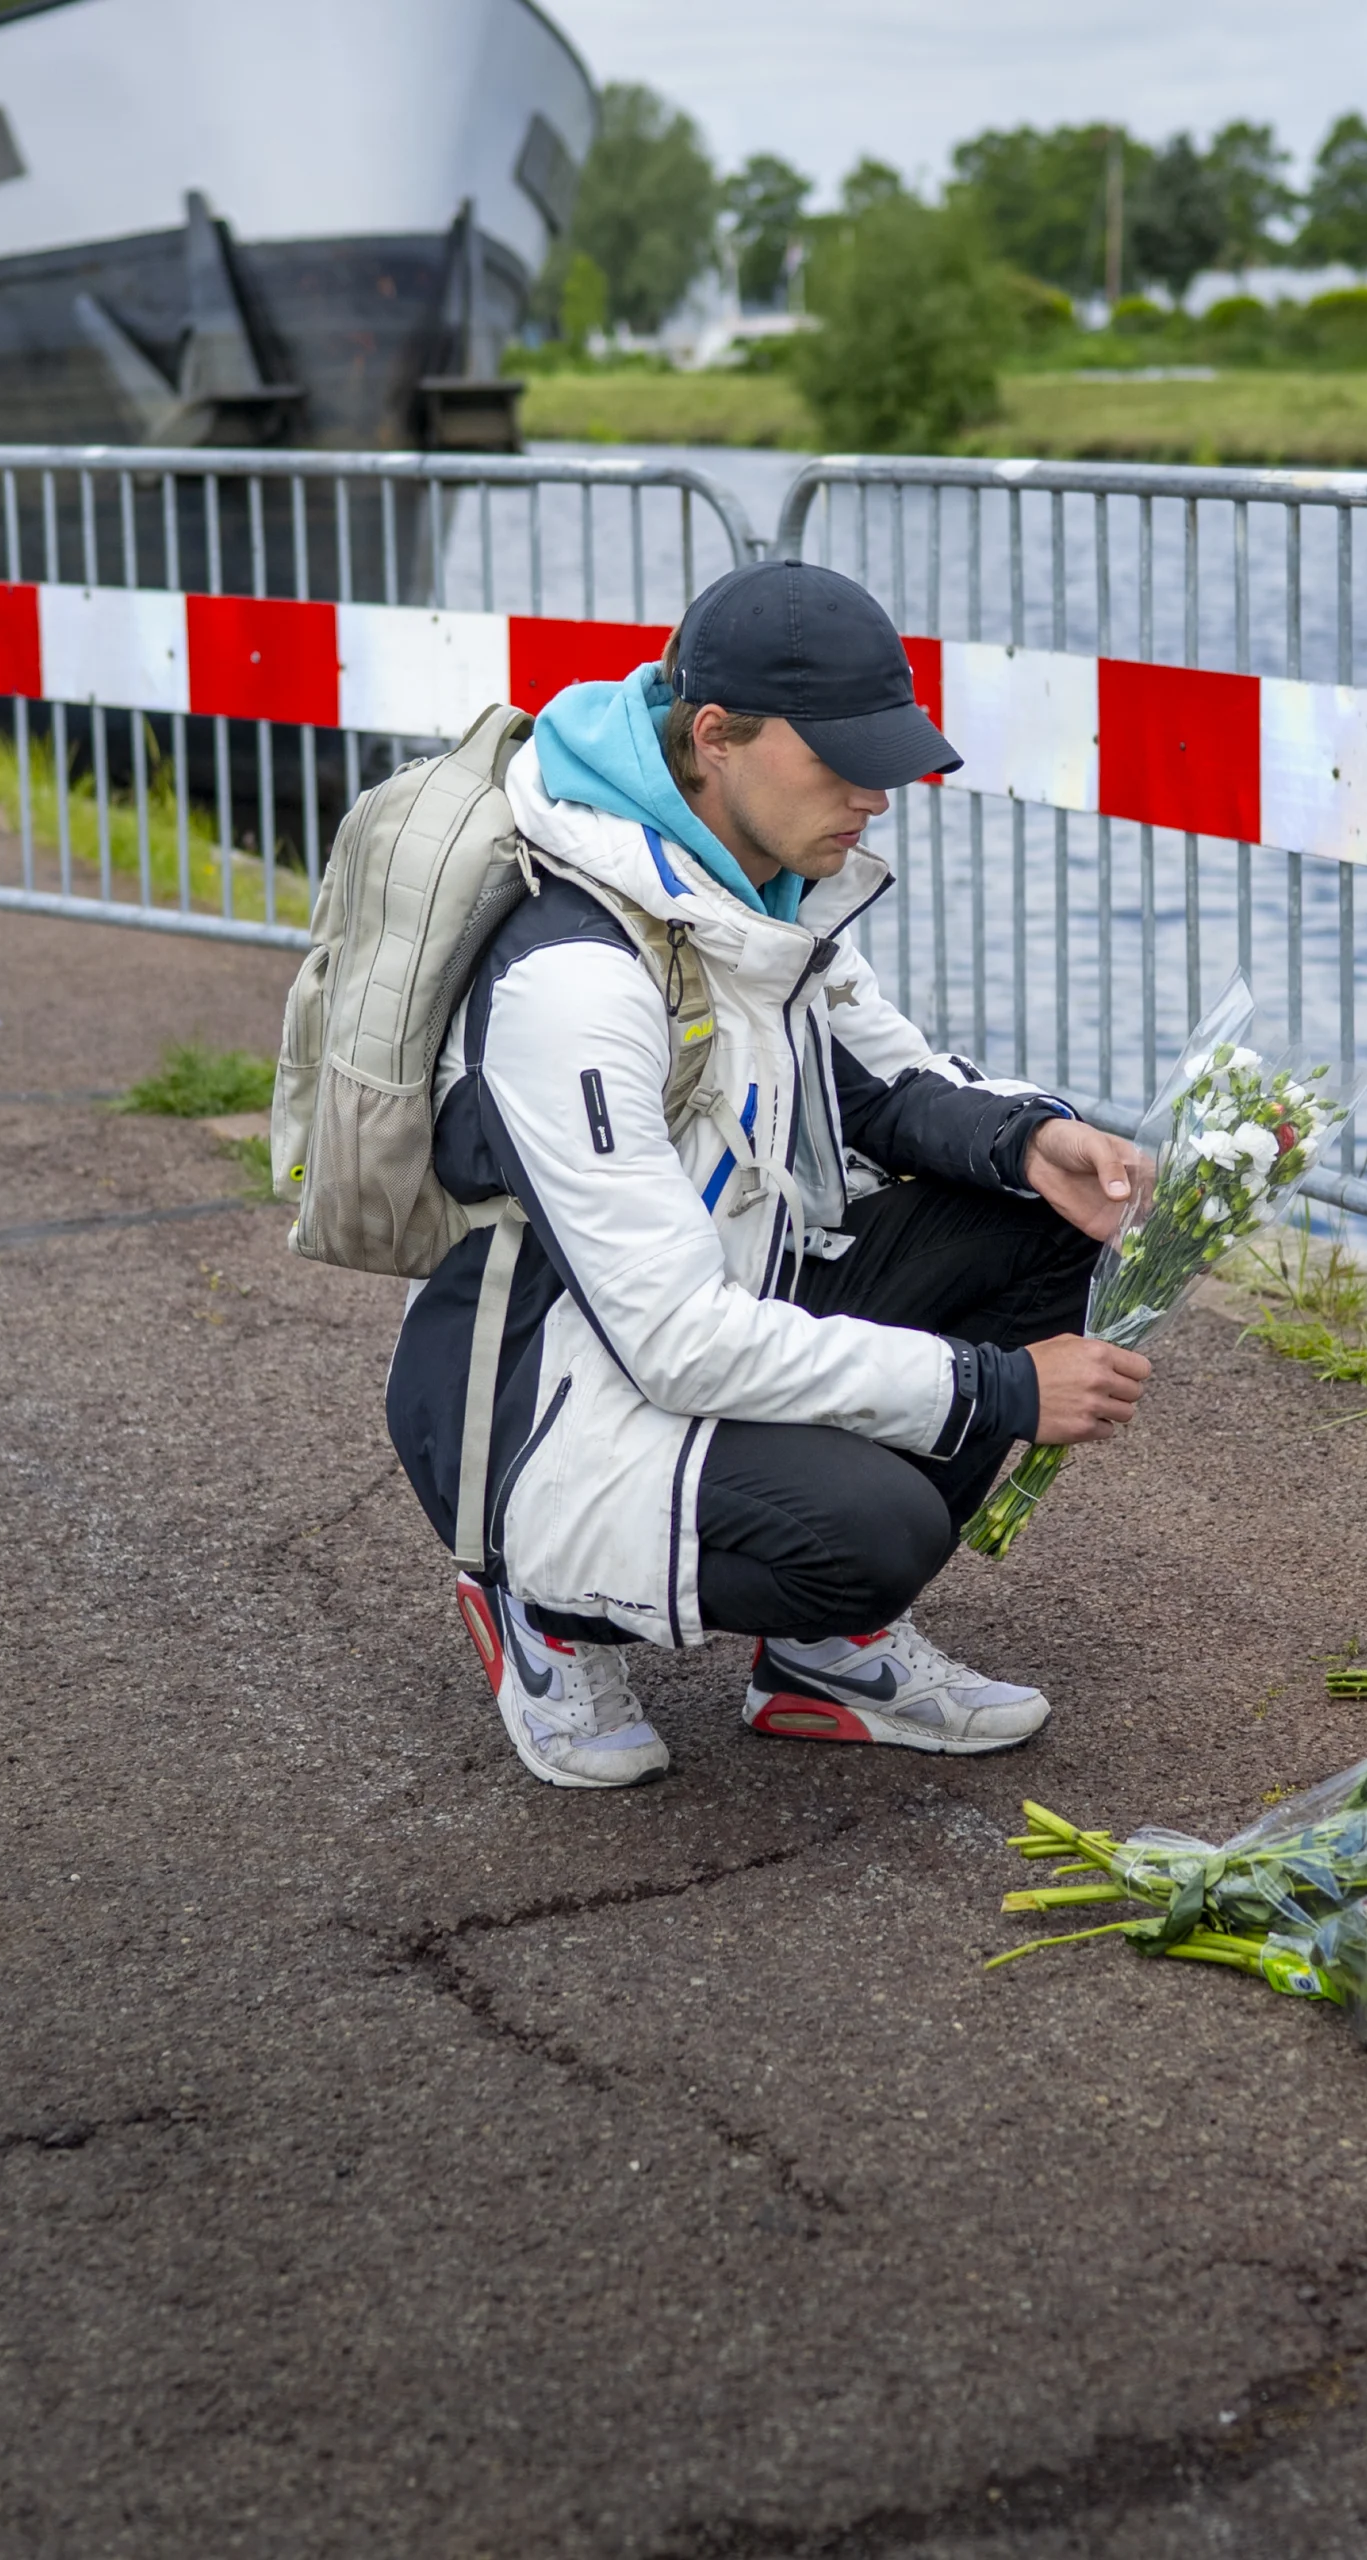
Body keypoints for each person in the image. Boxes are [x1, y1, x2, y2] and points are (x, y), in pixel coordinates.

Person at [383, 559, 1153, 1788]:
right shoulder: (578, 974)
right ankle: (538, 1603)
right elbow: (677, 1340)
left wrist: (1035, 1140)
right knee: (872, 1528)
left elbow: (887, 1087)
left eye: (887, 756)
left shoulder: (748, 889)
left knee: (1043, 1212)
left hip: (693, 1312)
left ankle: (821, 1657)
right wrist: (999, 1388)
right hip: (528, 1402)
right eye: (842, 759)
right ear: (714, 737)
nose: (877, 795)